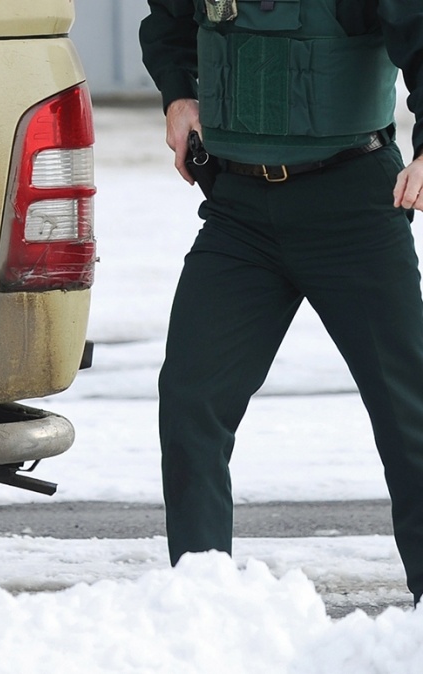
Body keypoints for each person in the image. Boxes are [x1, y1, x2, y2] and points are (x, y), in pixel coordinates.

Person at [139, 0, 423, 603]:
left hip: (354, 207)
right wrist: (178, 94)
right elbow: (167, 21)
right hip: (239, 213)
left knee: (409, 414)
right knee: (191, 401)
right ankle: (202, 603)